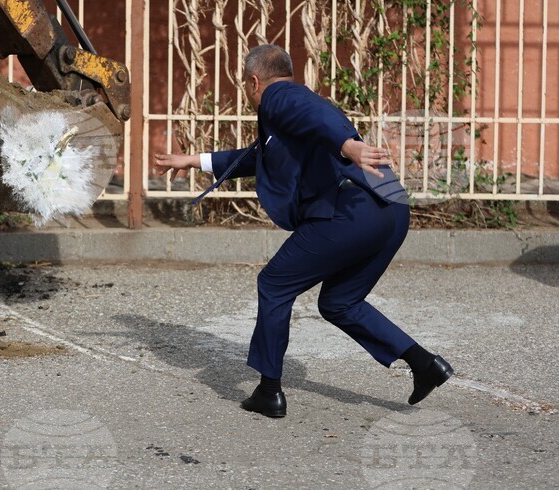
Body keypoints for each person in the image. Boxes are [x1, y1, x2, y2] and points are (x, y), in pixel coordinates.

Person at [154, 43, 452, 418]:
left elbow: (310, 115)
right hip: (390, 206)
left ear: (253, 81)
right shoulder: (296, 108)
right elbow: (258, 155)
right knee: (339, 302)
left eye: (248, 88)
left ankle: (269, 391)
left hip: (353, 210)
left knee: (275, 283)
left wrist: (349, 146)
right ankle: (425, 364)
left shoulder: (280, 97)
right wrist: (195, 160)